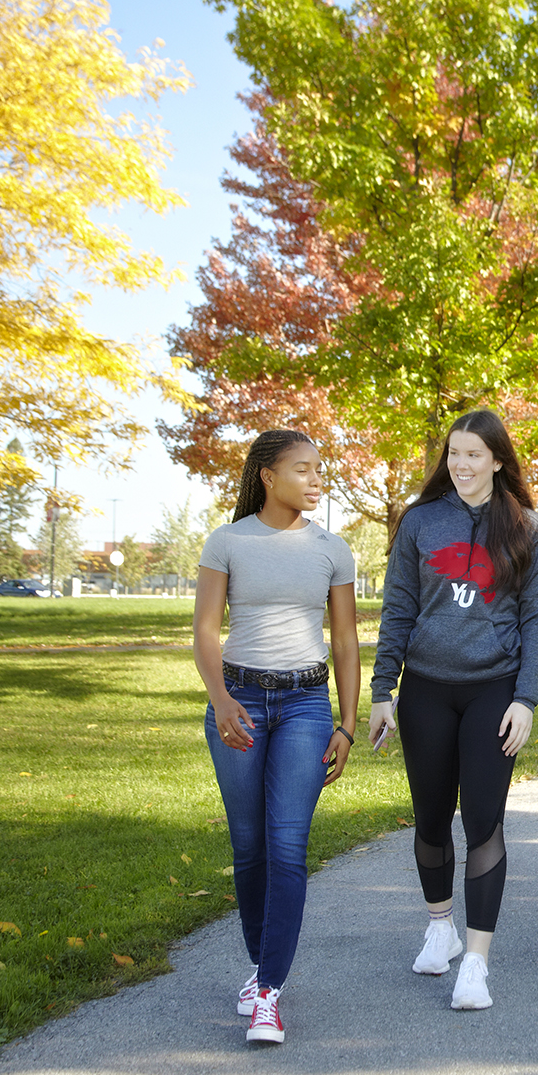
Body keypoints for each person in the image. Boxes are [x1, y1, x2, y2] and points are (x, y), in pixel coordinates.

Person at [369, 410, 538, 1011]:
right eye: (454, 453)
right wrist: (381, 691)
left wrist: (525, 699)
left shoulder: (529, 528)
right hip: (426, 688)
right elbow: (397, 608)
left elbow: (537, 622)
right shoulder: (420, 522)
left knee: (483, 822)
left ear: (498, 460)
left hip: (492, 691)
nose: (462, 464)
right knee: (429, 817)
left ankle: (475, 962)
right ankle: (440, 927)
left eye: (475, 454)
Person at [194, 429, 360, 1044]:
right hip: (237, 701)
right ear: (268, 474)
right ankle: (262, 963)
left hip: (304, 705)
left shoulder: (332, 549)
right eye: (304, 469)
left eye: (321, 470)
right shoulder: (228, 541)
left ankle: (268, 991)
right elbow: (207, 632)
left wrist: (346, 722)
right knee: (249, 845)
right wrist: (221, 699)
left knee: (288, 846)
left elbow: (344, 641)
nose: (317, 479)